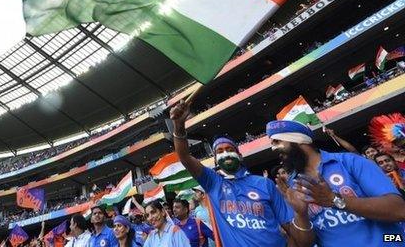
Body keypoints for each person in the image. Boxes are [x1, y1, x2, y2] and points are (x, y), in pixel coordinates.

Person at [171, 99, 315, 247]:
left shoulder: (265, 184)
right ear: (215, 160)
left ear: (240, 156)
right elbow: (185, 157)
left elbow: (299, 238)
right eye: (219, 152)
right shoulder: (213, 182)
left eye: (230, 149)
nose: (225, 153)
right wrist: (179, 126)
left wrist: (302, 215)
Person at [267, 120, 405, 247]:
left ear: (299, 141)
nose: (274, 149)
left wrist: (334, 200)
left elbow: (399, 210)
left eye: (277, 142)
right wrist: (301, 215)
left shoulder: (351, 162)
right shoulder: (293, 185)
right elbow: (304, 244)